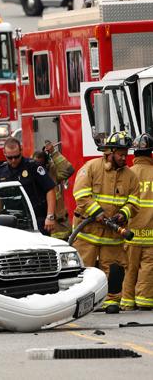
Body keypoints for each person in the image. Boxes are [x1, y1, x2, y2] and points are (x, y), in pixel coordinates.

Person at [72, 131, 139, 314]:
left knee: (115, 267)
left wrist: (123, 214)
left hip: (112, 234)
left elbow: (134, 201)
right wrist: (98, 212)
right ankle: (81, 302)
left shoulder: (131, 176)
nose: (124, 157)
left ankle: (111, 301)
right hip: (88, 233)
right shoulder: (91, 168)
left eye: (126, 153)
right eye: (120, 153)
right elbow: (80, 194)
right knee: (84, 268)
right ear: (109, 152)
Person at [0, 137, 56, 235]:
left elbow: (50, 189)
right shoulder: (2, 172)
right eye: (9, 158)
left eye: (16, 156)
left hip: (36, 219)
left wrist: (50, 216)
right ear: (4, 153)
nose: (13, 160)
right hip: (11, 221)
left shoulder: (33, 166)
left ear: (21, 150)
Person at [120, 133, 153, 311]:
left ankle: (126, 301)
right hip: (150, 233)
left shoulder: (127, 174)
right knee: (148, 266)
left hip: (129, 232)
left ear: (134, 154)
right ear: (150, 154)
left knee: (130, 268)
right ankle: (145, 300)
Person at [33, 141, 75, 240]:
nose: (40, 169)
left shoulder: (51, 171)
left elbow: (68, 170)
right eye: (36, 165)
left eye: (42, 165)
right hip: (38, 223)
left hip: (58, 226)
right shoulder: (28, 174)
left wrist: (53, 153)